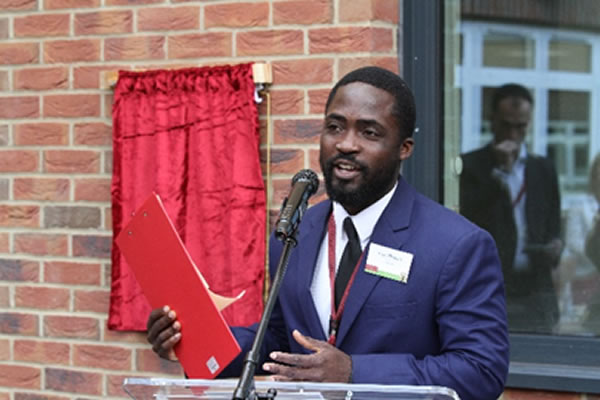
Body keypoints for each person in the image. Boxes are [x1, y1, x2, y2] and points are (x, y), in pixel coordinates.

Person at [147, 66, 509, 400]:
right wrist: (194, 340)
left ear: (404, 149)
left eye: (369, 132)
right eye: (335, 127)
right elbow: (279, 340)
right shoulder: (296, 231)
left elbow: (481, 371)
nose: (346, 144)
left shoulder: (457, 245)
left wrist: (354, 372)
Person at [460, 83, 563, 333]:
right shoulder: (472, 166)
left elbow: (553, 223)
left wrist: (555, 246)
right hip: (490, 286)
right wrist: (500, 174)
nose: (513, 135)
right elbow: (469, 214)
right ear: (492, 121)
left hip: (535, 287)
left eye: (521, 127)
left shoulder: (542, 168)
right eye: (507, 125)